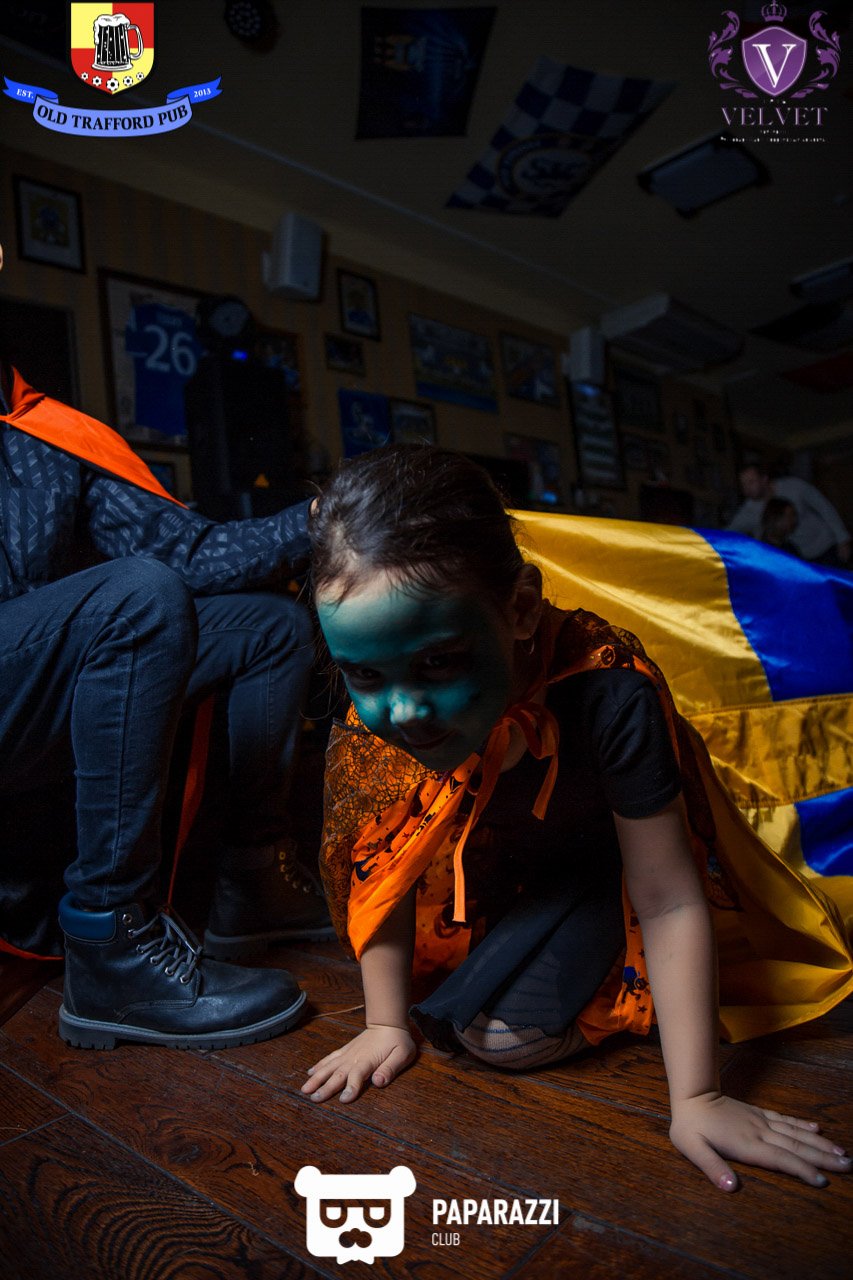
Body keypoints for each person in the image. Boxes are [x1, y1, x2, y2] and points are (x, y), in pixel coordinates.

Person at [301, 444, 853, 1195]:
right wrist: (384, 1025)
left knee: (503, 1040)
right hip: (502, 887)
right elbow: (383, 869)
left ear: (522, 609)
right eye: (364, 675)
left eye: (439, 664)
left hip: (612, 882)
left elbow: (669, 896)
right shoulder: (379, 719)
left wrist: (697, 1098)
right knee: (459, 1018)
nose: (402, 711)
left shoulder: (610, 692)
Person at [0, 243, 332, 1051]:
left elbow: (188, 553)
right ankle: (108, 937)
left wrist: (325, 516)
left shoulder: (46, 432)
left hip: (22, 684)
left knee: (267, 626)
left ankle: (251, 875)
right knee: (136, 598)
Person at [728, 463, 850, 567]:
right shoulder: (747, 512)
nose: (747, 489)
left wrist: (842, 538)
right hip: (799, 559)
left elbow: (824, 507)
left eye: (751, 482)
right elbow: (729, 532)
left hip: (827, 546)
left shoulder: (794, 486)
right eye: (743, 484)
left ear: (764, 479)